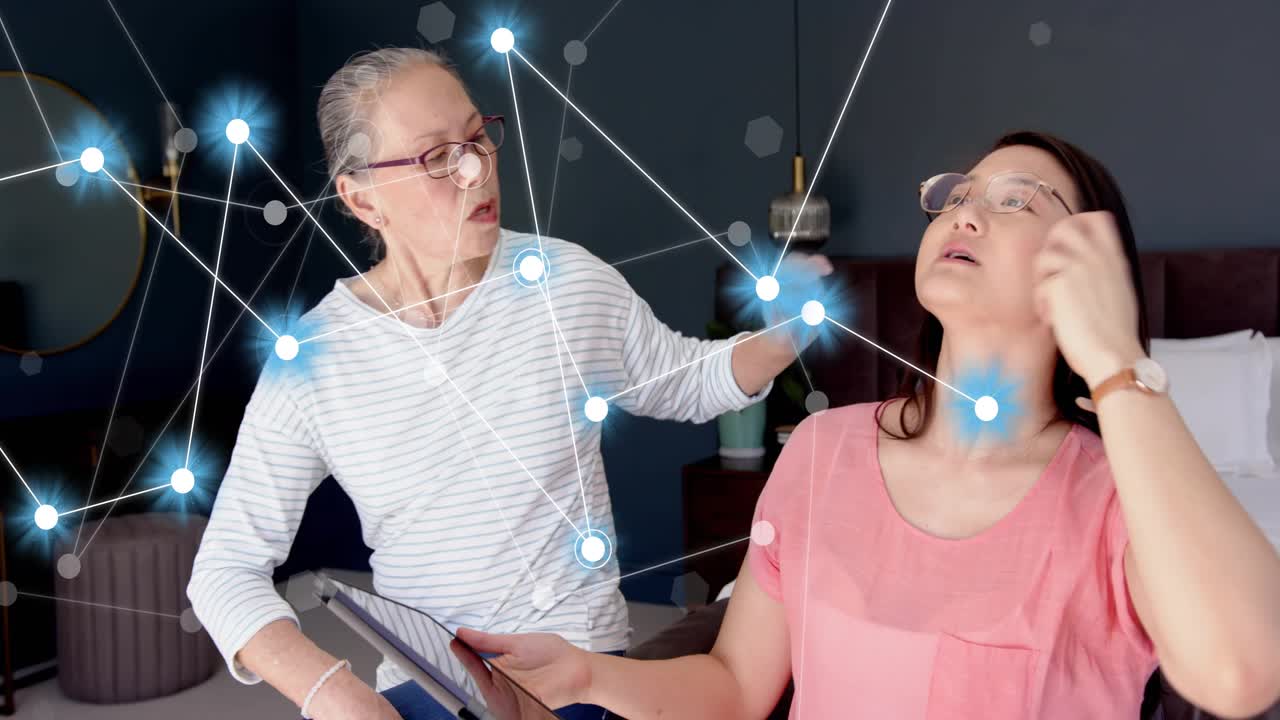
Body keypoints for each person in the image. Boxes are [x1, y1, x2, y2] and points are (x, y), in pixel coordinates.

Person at [456, 131, 1280, 719]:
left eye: (1016, 201)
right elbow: (738, 689)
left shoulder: (1120, 499)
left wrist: (1112, 356)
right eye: (956, 196)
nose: (965, 212)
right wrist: (588, 676)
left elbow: (1242, 675)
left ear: (1088, 264)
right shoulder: (822, 450)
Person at [186, 47, 829, 720]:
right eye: (437, 157)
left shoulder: (566, 283)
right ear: (361, 198)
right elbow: (225, 570)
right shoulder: (313, 362)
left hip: (576, 685)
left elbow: (686, 381)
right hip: (422, 689)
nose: (477, 168)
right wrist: (341, 697)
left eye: (477, 137)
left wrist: (783, 335)